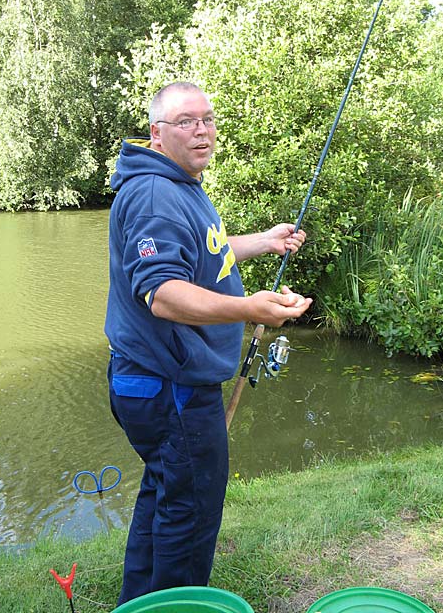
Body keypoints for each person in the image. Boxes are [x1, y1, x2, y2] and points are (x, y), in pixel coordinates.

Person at [105, 81, 312, 605]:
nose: (201, 131)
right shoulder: (156, 195)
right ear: (157, 133)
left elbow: (205, 254)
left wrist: (263, 241)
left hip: (155, 381)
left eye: (207, 119)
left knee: (166, 496)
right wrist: (250, 309)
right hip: (167, 387)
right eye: (185, 122)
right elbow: (163, 294)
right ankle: (178, 606)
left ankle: (139, 604)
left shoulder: (179, 182)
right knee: (190, 512)